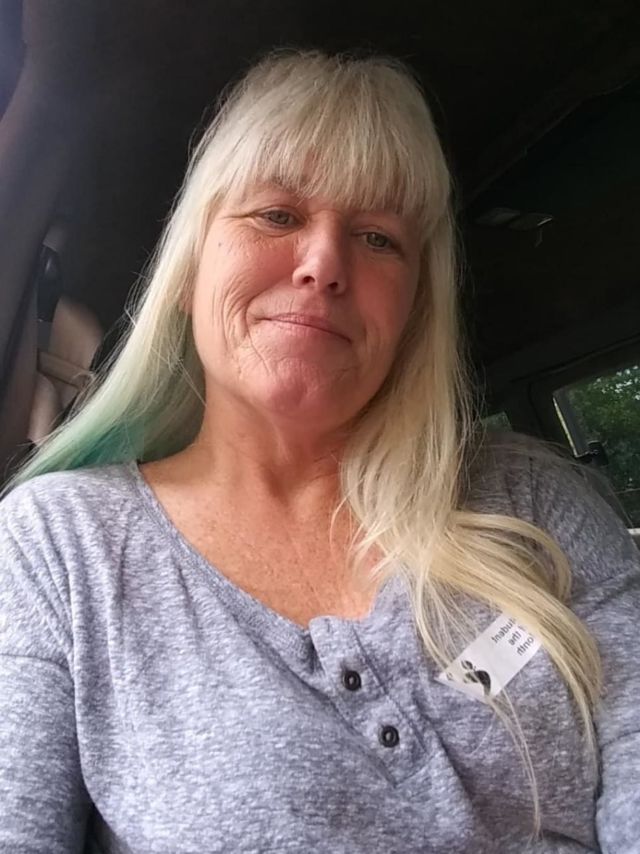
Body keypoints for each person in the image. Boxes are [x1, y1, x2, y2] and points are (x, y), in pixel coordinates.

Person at [0, 49, 638, 854]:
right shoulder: (59, 548)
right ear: (191, 268)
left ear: (414, 309)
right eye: (276, 215)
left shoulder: (539, 503)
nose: (325, 264)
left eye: (378, 237)